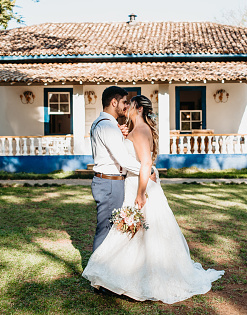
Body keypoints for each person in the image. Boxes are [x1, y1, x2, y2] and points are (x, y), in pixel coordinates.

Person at [83, 95, 225, 304]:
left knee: (142, 232)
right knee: (134, 233)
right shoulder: (135, 130)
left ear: (138, 108)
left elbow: (145, 162)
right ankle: (122, 272)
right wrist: (124, 134)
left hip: (139, 186)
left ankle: (133, 275)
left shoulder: (140, 130)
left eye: (129, 105)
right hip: (133, 183)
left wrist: (141, 192)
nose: (126, 109)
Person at [90, 86, 151, 252]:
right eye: (124, 102)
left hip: (109, 181)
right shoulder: (107, 127)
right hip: (109, 183)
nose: (126, 106)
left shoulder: (106, 124)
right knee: (106, 231)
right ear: (113, 102)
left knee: (112, 229)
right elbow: (123, 159)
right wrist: (147, 171)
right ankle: (97, 275)